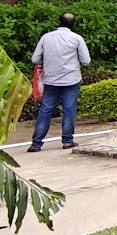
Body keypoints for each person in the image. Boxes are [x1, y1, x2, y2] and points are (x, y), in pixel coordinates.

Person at [28, 12, 91, 151]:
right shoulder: (77, 38)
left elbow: (35, 59)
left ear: (59, 22)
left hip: (51, 80)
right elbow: (86, 61)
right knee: (69, 110)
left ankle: (36, 143)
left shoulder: (46, 38)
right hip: (71, 80)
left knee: (45, 110)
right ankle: (67, 141)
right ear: (73, 24)